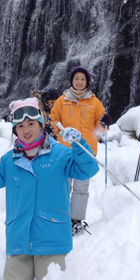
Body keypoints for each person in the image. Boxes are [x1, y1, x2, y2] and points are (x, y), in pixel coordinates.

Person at [0, 98, 99, 280]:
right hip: (18, 240)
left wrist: (78, 144)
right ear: (14, 131)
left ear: (41, 125)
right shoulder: (9, 160)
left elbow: (88, 169)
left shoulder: (61, 154)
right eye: (20, 126)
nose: (26, 129)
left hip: (53, 240)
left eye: (31, 124)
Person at [49, 66, 112, 235]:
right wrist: (60, 131)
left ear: (87, 82)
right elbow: (53, 120)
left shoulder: (94, 102)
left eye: (82, 79)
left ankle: (76, 220)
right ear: (72, 81)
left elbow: (100, 128)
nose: (79, 82)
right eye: (76, 78)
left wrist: (105, 122)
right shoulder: (62, 101)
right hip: (65, 150)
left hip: (86, 151)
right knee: (63, 186)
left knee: (81, 188)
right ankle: (61, 217)